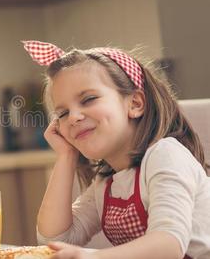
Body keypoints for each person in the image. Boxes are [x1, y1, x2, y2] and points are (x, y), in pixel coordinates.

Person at [22, 40, 210, 258]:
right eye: (62, 114)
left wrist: (89, 256)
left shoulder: (166, 155)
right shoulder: (105, 184)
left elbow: (168, 246)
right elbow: (54, 241)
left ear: (135, 104)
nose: (73, 117)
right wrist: (66, 156)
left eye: (89, 99)